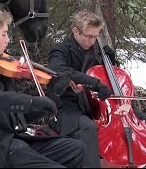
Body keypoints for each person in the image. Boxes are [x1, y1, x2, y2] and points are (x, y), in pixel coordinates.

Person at [0, 5, 86, 168]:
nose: (8, 40)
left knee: (75, 149)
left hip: (13, 141)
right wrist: (30, 102)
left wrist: (51, 98)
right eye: (4, 34)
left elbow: (13, 116)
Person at [46, 11, 118, 168]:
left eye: (95, 36)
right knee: (88, 127)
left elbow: (108, 80)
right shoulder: (60, 49)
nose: (92, 41)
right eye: (89, 36)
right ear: (75, 31)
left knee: (138, 118)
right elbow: (61, 70)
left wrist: (111, 63)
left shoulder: (96, 52)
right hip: (65, 106)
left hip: (91, 105)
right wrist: (95, 83)